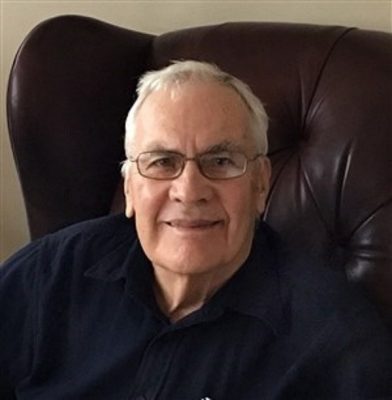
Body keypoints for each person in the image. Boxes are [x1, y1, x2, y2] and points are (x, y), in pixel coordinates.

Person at [0, 61, 391, 400]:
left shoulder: (332, 342)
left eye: (220, 160)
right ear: (130, 188)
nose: (189, 190)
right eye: (162, 161)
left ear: (260, 184)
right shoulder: (48, 277)